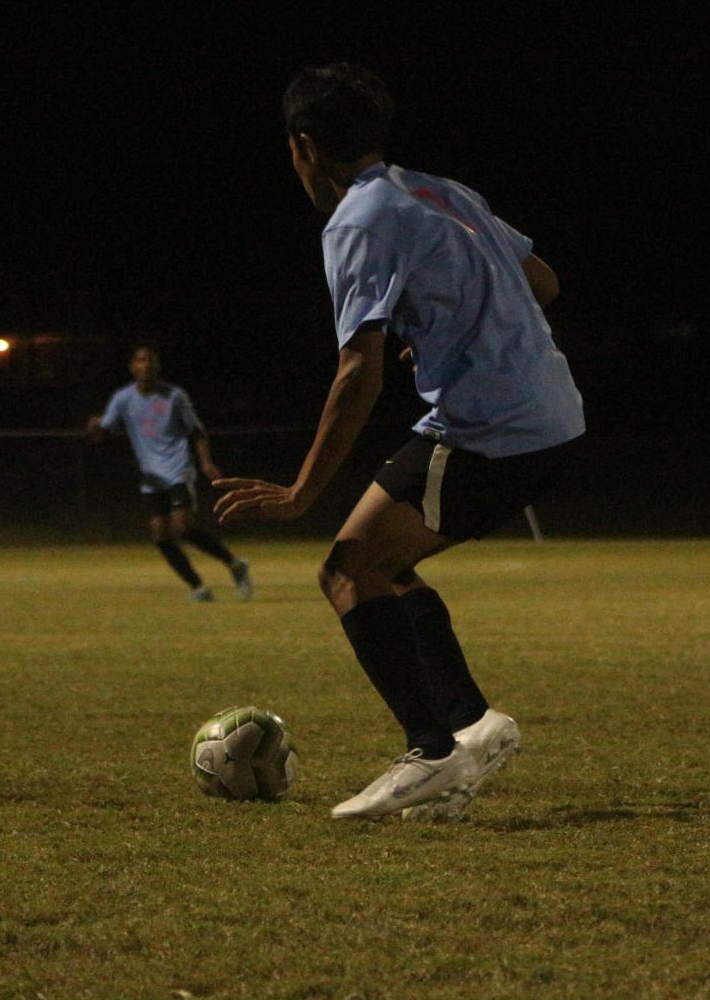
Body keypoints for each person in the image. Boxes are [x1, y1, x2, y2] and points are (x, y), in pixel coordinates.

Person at [213, 63, 586, 820]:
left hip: (492, 427)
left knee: (348, 569)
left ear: (303, 146)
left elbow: (358, 370)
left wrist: (300, 492)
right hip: (550, 414)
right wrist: (452, 321)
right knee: (385, 563)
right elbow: (542, 282)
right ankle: (471, 722)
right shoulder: (443, 191)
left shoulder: (355, 219)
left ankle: (432, 752)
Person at [86, 343, 252, 602]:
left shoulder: (174, 396)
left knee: (183, 527)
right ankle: (198, 588)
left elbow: (196, 431)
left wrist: (206, 463)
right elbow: (103, 432)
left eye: (150, 360)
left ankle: (233, 564)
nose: (146, 365)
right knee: (160, 536)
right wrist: (95, 428)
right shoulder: (123, 398)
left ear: (157, 366)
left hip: (178, 471)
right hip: (152, 479)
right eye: (140, 360)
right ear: (133, 367)